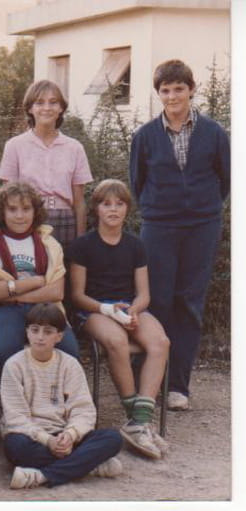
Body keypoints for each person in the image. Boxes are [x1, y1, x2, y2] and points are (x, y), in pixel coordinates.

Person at [129, 59, 229, 411]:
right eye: (166, 90)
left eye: (179, 89)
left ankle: (178, 387)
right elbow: (137, 183)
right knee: (156, 300)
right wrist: (161, 210)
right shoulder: (145, 136)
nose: (172, 96)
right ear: (159, 94)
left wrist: (202, 210)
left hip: (202, 227)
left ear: (191, 90)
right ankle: (149, 382)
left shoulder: (214, 133)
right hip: (158, 227)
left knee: (188, 303)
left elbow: (226, 180)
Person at [69, 179, 170, 459]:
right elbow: (77, 296)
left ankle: (140, 421)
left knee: (160, 342)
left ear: (127, 209)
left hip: (129, 307)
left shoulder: (136, 245)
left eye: (119, 203)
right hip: (94, 310)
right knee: (116, 340)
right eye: (106, 204)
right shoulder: (83, 245)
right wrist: (108, 310)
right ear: (96, 209)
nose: (113, 209)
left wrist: (133, 311)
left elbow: (144, 294)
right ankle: (134, 417)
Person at [1, 303, 123, 489]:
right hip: (32, 437)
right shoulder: (14, 365)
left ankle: (42, 476)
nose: (40, 337)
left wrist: (70, 435)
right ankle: (87, 465)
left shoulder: (69, 364)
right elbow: (16, 418)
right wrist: (47, 440)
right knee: (15, 446)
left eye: (48, 332)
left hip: (64, 434)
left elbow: (83, 409)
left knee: (113, 438)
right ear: (27, 332)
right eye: (35, 330)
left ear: (59, 336)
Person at [0, 182, 80, 375]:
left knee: (69, 352)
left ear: (35, 211)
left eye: (26, 209)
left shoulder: (49, 244)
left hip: (45, 307)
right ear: (2, 211)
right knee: (3, 350)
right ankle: (13, 389)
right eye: (12, 209)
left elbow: (56, 292)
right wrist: (35, 282)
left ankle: (53, 390)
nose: (19, 216)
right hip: (6, 310)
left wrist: (11, 293)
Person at [0, 80, 92, 248]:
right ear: (30, 108)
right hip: (26, 219)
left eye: (53, 102)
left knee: (63, 265)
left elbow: (79, 202)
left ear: (61, 108)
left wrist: (80, 243)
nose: (47, 108)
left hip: (65, 222)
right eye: (39, 102)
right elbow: (7, 198)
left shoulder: (75, 148)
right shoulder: (14, 146)